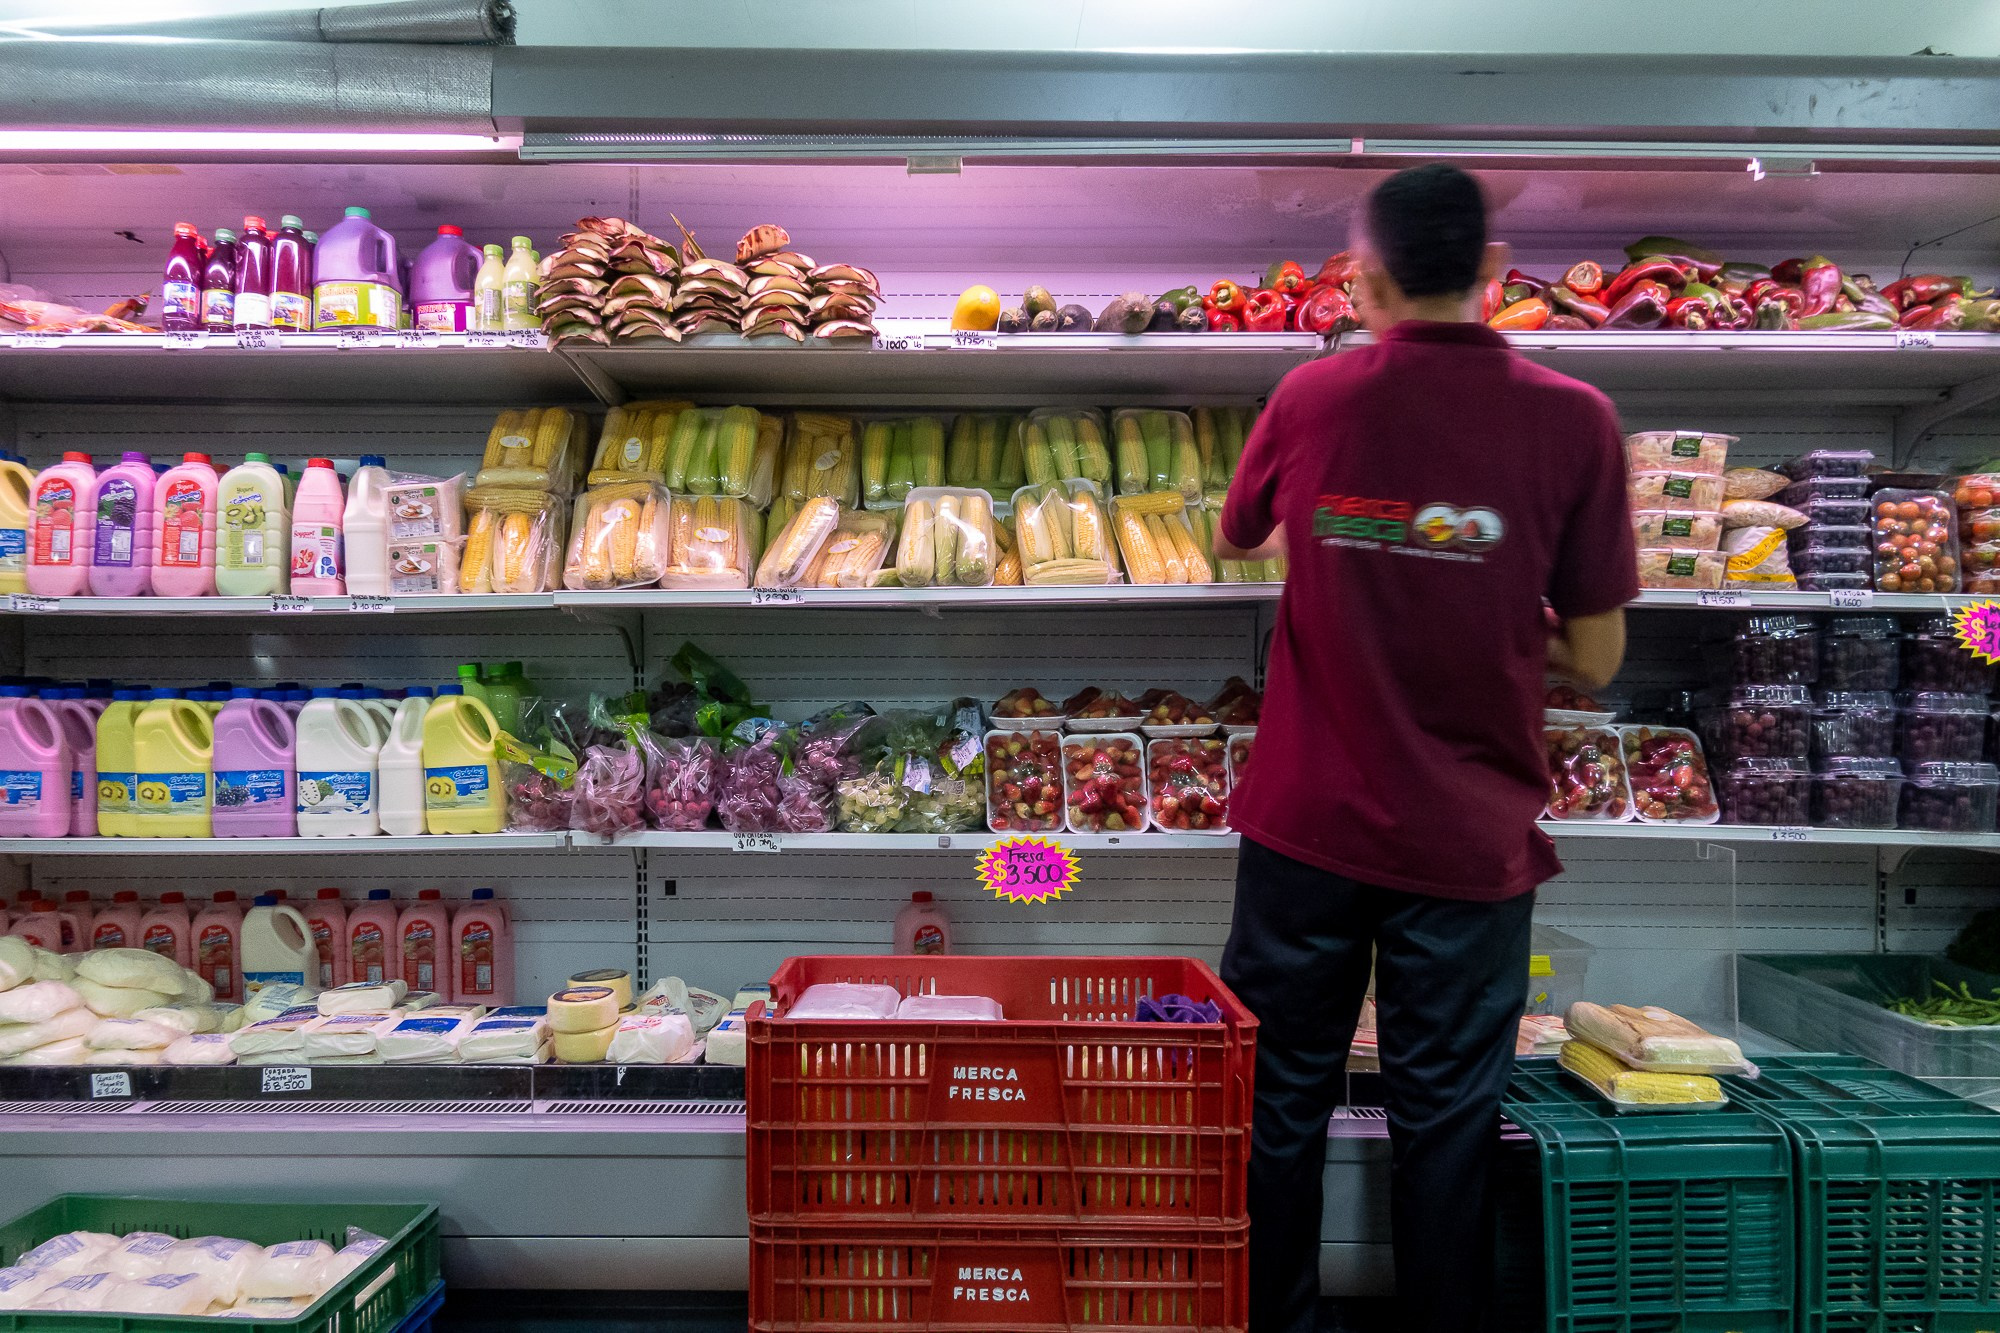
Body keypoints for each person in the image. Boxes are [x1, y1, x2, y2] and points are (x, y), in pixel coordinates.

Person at [1213, 163, 1639, 1333]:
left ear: (1364, 277)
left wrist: (1360, 561)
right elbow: (1596, 661)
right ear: (1493, 276)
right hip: (1467, 839)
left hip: (1306, 821)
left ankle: (1274, 1321)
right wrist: (1496, 610)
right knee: (1445, 1117)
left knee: (1279, 1095)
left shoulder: (1311, 397)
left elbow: (1238, 531)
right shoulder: (1574, 417)